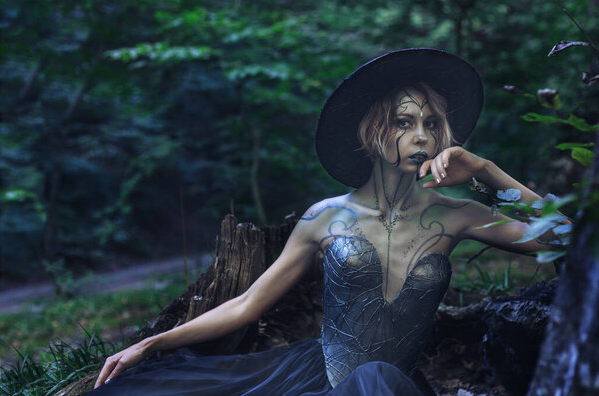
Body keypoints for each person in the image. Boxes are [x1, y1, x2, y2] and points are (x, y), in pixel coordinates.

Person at [89, 48, 554, 395]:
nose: (421, 136)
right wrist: (152, 344)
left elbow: (568, 241)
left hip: (391, 389)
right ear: (371, 132)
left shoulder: (457, 215)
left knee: (377, 379)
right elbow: (248, 303)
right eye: (403, 122)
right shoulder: (325, 217)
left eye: (432, 124)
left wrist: (489, 173)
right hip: (317, 381)